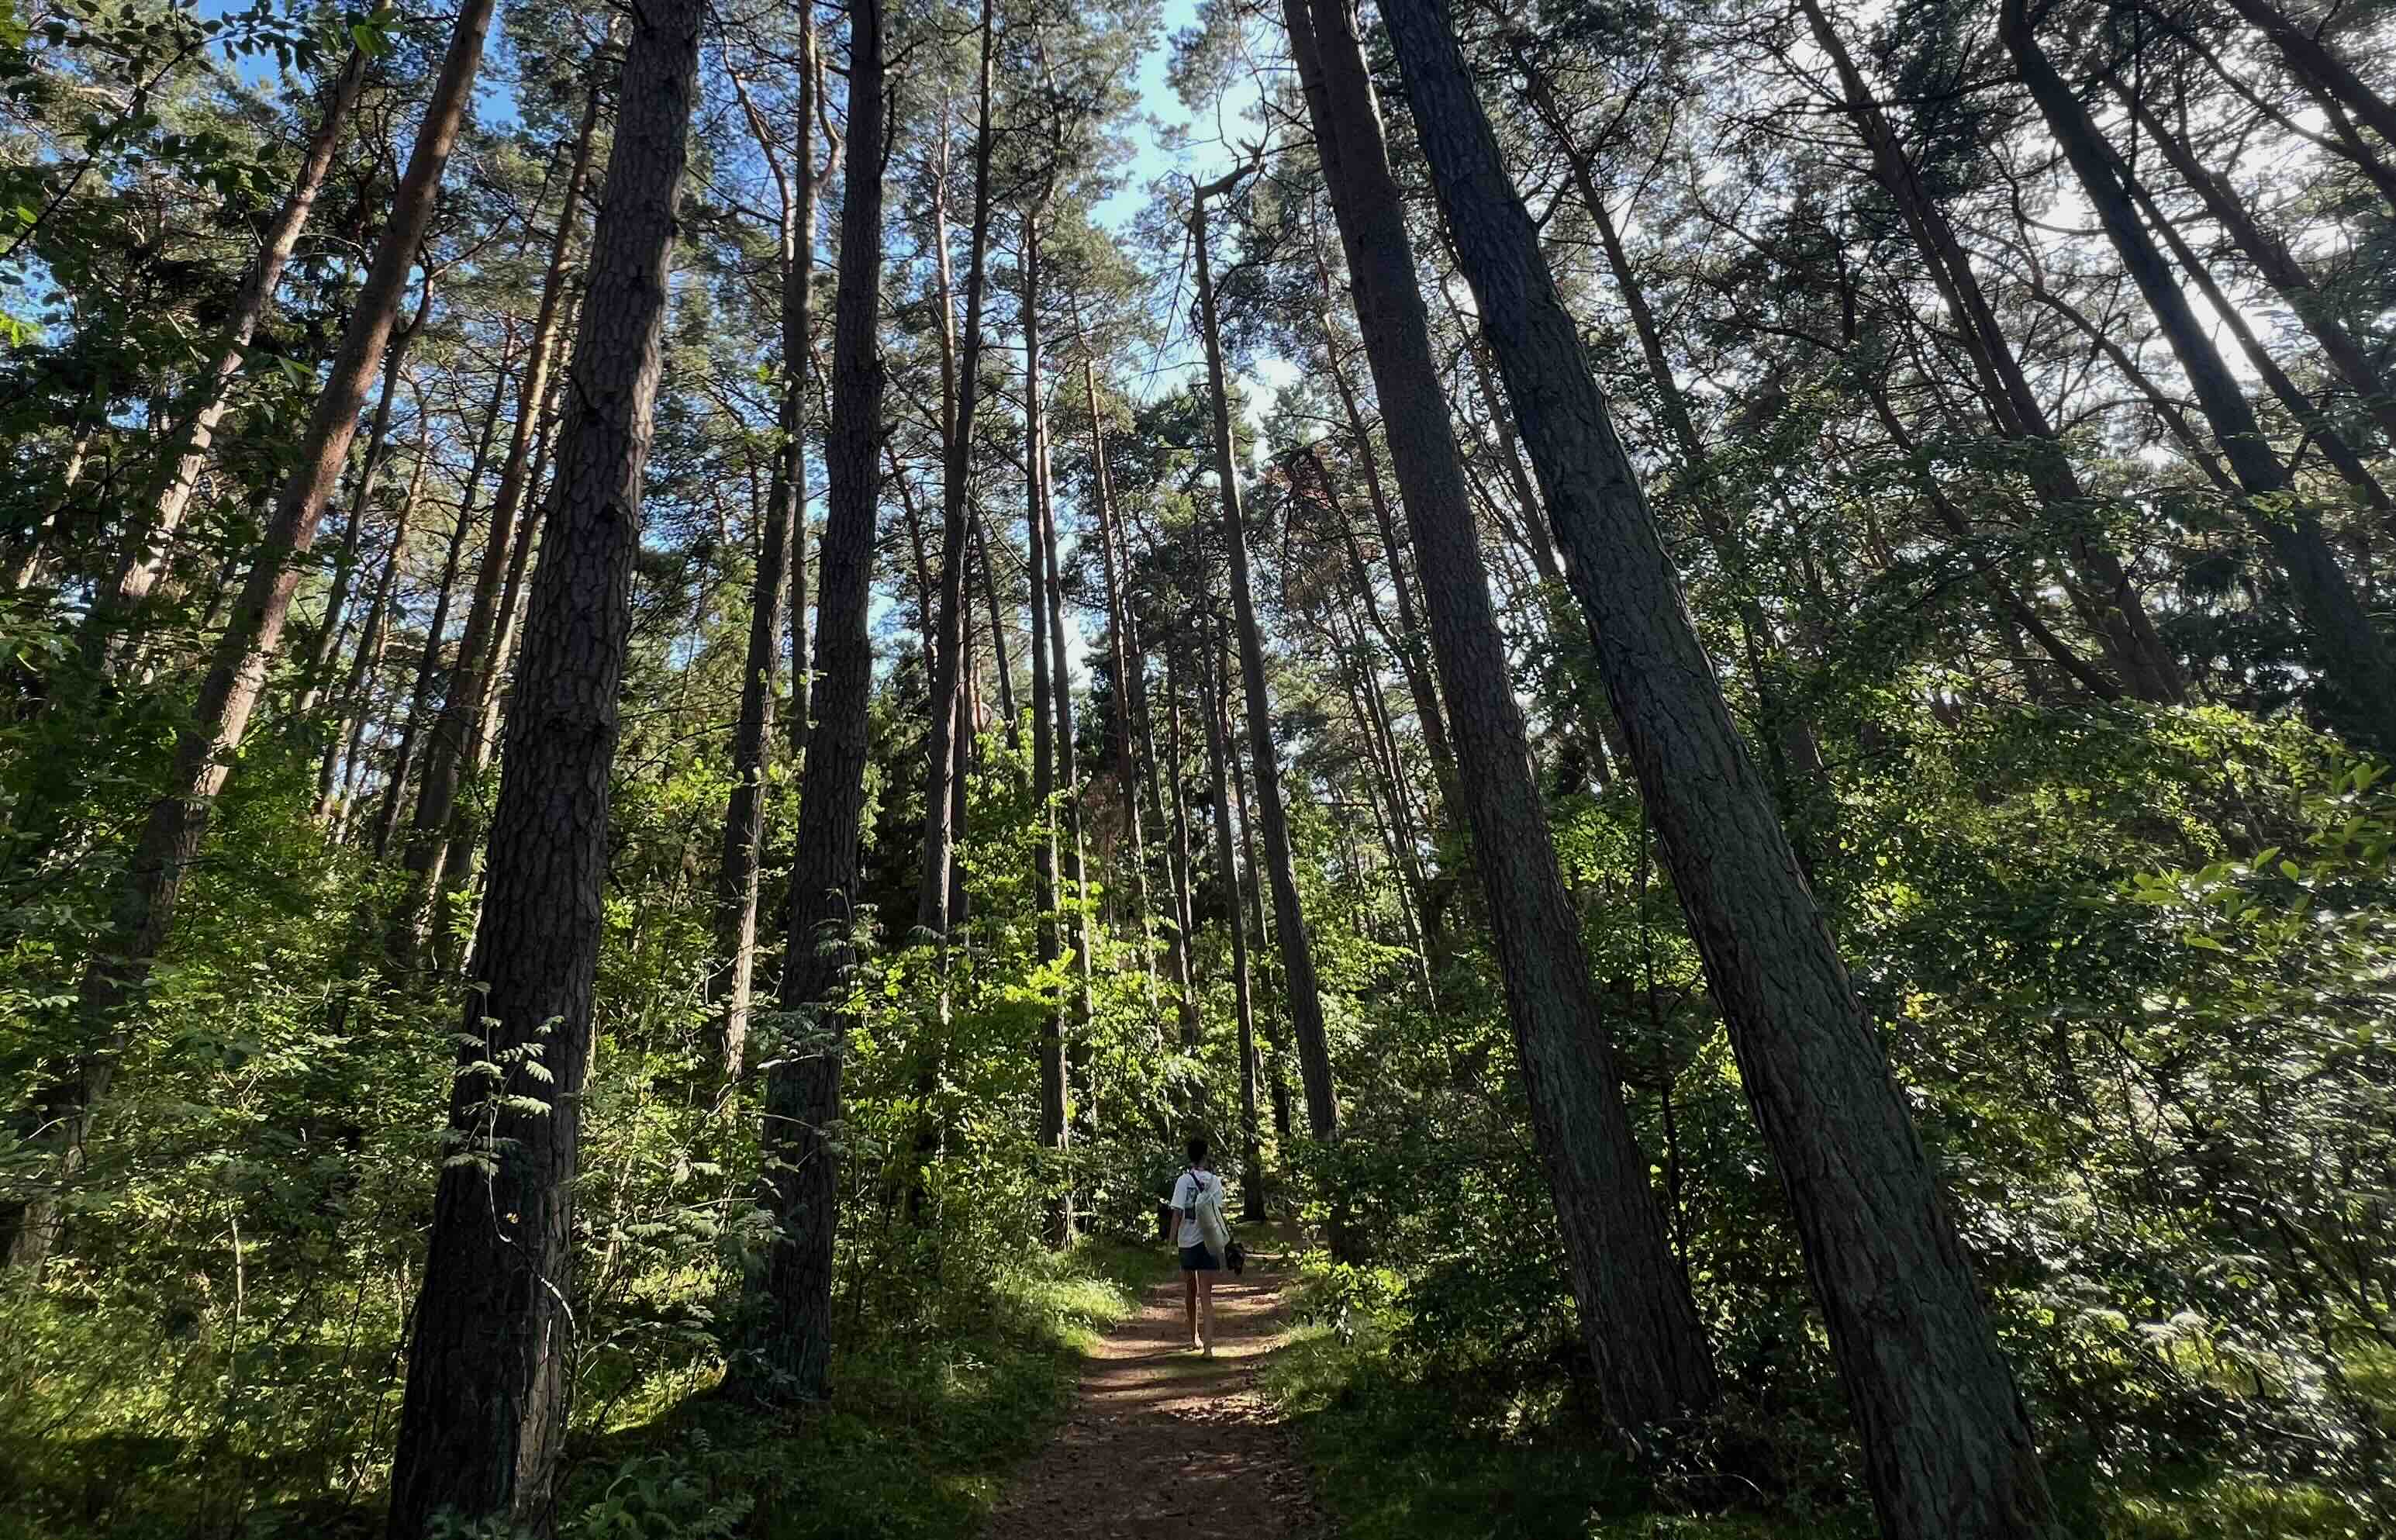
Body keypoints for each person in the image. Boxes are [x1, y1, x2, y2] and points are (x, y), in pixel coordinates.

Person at [1169, 1136, 1222, 1355]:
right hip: (1209, 1241)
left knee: (1190, 1290)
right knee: (1206, 1295)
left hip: (1187, 1242)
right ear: (1205, 1156)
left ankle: (1194, 1337)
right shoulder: (1215, 1181)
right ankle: (1208, 1347)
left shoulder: (1183, 1181)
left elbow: (1177, 1213)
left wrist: (1171, 1241)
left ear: (1189, 1156)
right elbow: (1218, 1212)